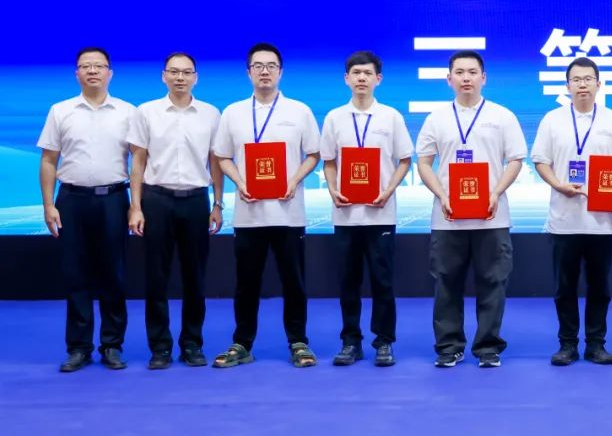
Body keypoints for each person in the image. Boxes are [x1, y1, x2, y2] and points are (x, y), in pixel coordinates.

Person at [211, 42, 321, 368]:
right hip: (249, 213)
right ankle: (242, 343)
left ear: (280, 72)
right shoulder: (233, 113)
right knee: (246, 283)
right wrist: (240, 182)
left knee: (294, 282)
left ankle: (299, 341)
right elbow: (222, 156)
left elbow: (314, 153)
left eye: (271, 66)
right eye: (258, 66)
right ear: (248, 73)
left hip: (289, 213)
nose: (264, 72)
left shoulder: (299, 111)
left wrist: (294, 180)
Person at [416, 50, 527, 368]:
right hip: (448, 217)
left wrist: (496, 192)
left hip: (492, 216)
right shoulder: (436, 118)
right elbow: (423, 162)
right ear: (448, 78)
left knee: (493, 282)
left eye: (472, 72)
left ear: (483, 78)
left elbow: (515, 160)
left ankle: (488, 347)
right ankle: (449, 346)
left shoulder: (502, 116)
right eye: (460, 72)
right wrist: (441, 194)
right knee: (446, 282)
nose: (466, 78)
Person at [531, 57, 612, 366]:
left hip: (603, 221)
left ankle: (596, 344)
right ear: (567, 86)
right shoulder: (552, 120)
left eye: (588, 79)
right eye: (576, 80)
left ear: (599, 84)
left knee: (599, 287)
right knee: (564, 287)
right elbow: (541, 161)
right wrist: (559, 185)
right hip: (564, 219)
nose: (582, 85)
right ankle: (567, 344)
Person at [38, 47, 136, 372]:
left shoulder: (127, 112)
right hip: (72, 201)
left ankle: (112, 345)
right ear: (76, 73)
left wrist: (136, 205)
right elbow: (49, 160)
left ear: (110, 72)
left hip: (113, 200)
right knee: (75, 274)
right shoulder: (61, 111)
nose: (92, 71)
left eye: (99, 66)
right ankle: (79, 347)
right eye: (86, 66)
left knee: (114, 274)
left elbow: (139, 162)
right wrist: (48, 204)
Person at [128, 52, 223, 369]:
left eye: (186, 72)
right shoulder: (147, 112)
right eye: (174, 71)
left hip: (196, 200)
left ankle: (192, 344)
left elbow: (215, 161)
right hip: (157, 200)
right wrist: (136, 206)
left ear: (196, 77)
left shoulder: (210, 114)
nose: (180, 77)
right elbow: (138, 161)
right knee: (156, 277)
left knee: (195, 277)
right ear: (164, 76)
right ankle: (160, 347)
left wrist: (218, 203)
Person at [320, 51, 413, 367]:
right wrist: (332, 189)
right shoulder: (334, 117)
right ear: (346, 78)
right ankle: (350, 341)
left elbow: (404, 160)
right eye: (356, 73)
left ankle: (384, 341)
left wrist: (389, 190)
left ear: (378, 79)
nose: (361, 78)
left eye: (367, 73)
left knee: (382, 281)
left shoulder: (391, 116)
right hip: (345, 214)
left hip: (380, 213)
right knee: (348, 281)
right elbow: (329, 161)